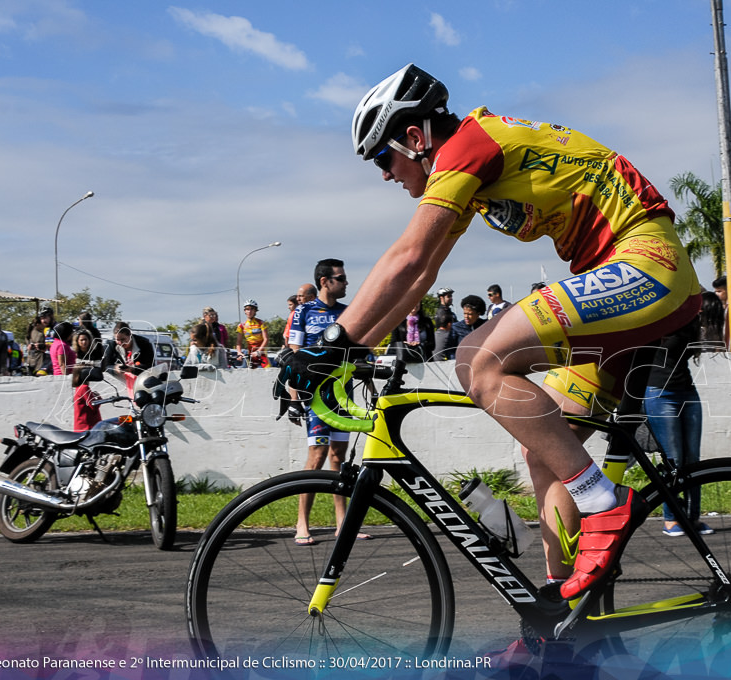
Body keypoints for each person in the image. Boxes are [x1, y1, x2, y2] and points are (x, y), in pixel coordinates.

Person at [285, 64, 701, 600]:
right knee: (547, 447)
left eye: (383, 158)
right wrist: (343, 353)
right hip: (628, 278)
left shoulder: (467, 147)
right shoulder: (469, 166)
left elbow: (407, 258)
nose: (385, 175)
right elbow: (421, 276)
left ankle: (605, 503)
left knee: (477, 357)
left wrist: (329, 345)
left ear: (415, 138)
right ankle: (564, 617)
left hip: (649, 266)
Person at [287, 258, 368, 545]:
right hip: (315, 397)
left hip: (342, 395)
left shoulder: (348, 313)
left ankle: (342, 524)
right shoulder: (304, 311)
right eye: (341, 278)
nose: (346, 283)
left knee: (338, 458)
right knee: (317, 457)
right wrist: (294, 398)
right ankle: (301, 523)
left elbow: (359, 354)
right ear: (325, 281)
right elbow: (294, 355)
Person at [643, 315, 712, 536]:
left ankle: (692, 518)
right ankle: (671, 518)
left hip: (687, 391)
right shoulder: (657, 316)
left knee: (693, 459)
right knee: (673, 459)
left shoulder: (689, 321)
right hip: (659, 392)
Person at [235, 299, 269, 366]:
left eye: (252, 309)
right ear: (245, 311)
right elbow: (238, 342)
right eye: (247, 309)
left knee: (268, 370)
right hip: (249, 353)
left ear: (255, 311)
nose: (249, 311)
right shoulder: (241, 325)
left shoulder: (261, 323)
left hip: (261, 353)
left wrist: (259, 351)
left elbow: (266, 339)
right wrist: (239, 353)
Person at [24, 307, 53, 376]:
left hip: (47, 362)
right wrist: (30, 345)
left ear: (51, 317)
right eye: (42, 318)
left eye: (46, 317)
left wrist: (44, 346)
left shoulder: (53, 328)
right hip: (33, 361)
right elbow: (27, 339)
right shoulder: (32, 328)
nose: (44, 320)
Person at [72, 366, 102, 431]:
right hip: (87, 427)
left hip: (83, 426)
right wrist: (99, 399)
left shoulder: (79, 388)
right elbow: (93, 405)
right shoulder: (84, 388)